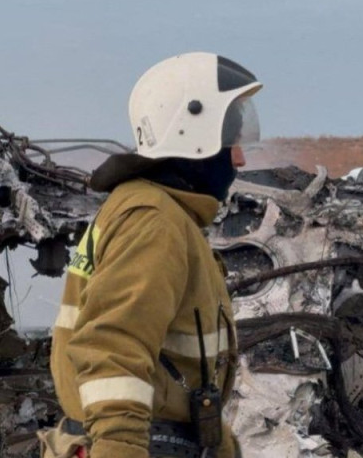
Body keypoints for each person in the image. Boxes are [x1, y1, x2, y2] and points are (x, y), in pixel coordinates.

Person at [40, 52, 262, 458]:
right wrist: (119, 449)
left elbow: (174, 372)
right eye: (231, 141)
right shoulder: (154, 221)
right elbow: (114, 346)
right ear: (194, 134)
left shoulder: (155, 211)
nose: (241, 158)